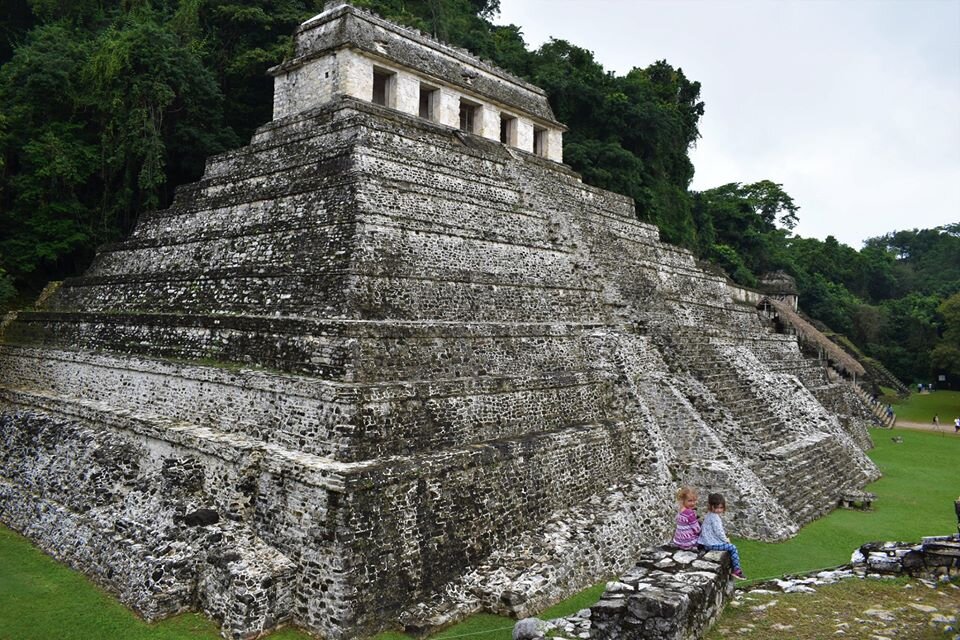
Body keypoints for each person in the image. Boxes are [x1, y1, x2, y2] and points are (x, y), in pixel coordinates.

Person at [698, 493, 746, 579]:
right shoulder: (715, 517)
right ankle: (736, 570)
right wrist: (726, 540)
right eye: (717, 507)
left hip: (705, 542)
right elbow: (719, 532)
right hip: (710, 544)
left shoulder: (709, 515)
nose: (719, 510)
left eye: (721, 507)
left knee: (730, 547)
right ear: (711, 507)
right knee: (733, 548)